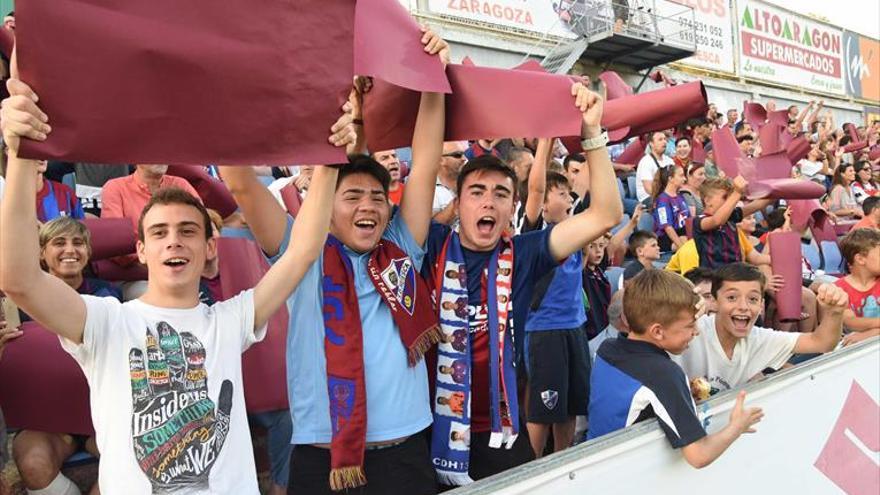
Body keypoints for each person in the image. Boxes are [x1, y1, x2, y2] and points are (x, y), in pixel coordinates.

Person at [0, 69, 354, 493]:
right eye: (159, 232)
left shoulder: (230, 320)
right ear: (142, 250)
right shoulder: (104, 322)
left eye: (188, 231)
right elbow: (19, 278)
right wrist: (21, 156)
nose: (174, 242)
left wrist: (332, 159)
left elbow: (302, 251)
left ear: (209, 248)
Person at [218, 30, 450, 494]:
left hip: (405, 452)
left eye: (377, 197)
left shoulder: (402, 243)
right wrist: (232, 85)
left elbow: (424, 163)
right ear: (325, 207)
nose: (368, 206)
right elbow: (240, 184)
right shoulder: (298, 250)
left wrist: (432, 81)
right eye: (352, 196)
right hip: (324, 456)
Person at [423, 81, 623, 485]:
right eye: (476, 192)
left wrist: (591, 135)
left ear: (512, 207)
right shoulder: (429, 245)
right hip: (433, 428)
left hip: (502, 429)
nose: (488, 202)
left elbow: (605, 213)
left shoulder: (525, 251)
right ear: (457, 203)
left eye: (500, 194)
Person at [588, 270, 764, 469]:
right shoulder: (664, 375)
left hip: (594, 464)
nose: (696, 331)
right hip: (626, 475)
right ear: (657, 331)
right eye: (690, 325)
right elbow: (698, 455)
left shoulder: (607, 349)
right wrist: (736, 427)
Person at [674, 263, 848, 395]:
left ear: (761, 304)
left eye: (753, 299)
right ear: (714, 301)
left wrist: (835, 312)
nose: (743, 306)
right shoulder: (693, 330)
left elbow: (822, 343)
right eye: (732, 297)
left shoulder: (759, 338)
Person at [519, 142, 592, 458]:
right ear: (544, 206)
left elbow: (588, 186)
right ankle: (532, 466)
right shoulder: (534, 233)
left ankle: (564, 459)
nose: (568, 196)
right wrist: (546, 143)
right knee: (542, 410)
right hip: (543, 331)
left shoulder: (574, 229)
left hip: (574, 328)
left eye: (567, 192)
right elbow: (534, 191)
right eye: (560, 193)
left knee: (571, 405)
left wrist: (592, 138)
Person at [693, 176, 772, 269]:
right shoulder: (700, 220)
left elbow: (758, 205)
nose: (731, 201)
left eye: (730, 198)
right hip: (712, 278)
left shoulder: (730, 217)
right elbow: (717, 220)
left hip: (734, 276)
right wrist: (737, 192)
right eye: (725, 197)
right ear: (707, 200)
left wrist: (778, 188)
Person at [835, 228, 880, 346]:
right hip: (857, 348)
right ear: (860, 259)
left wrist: (872, 333)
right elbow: (851, 322)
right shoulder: (840, 288)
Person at [652, 165, 690, 252]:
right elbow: (667, 227)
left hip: (682, 233)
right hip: (666, 238)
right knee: (685, 241)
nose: (684, 179)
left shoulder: (681, 197)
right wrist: (682, 248)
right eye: (681, 176)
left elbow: (689, 220)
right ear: (671, 179)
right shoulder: (662, 200)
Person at [433, 142, 468, 225]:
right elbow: (433, 228)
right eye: (457, 155)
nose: (464, 158)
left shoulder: (469, 181)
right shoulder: (427, 189)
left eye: (464, 154)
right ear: (441, 160)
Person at [635, 132, 674, 203]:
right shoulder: (646, 161)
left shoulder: (669, 160)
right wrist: (667, 198)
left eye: (665, 139)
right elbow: (649, 189)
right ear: (651, 144)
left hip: (667, 195)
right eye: (660, 140)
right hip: (649, 198)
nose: (664, 142)